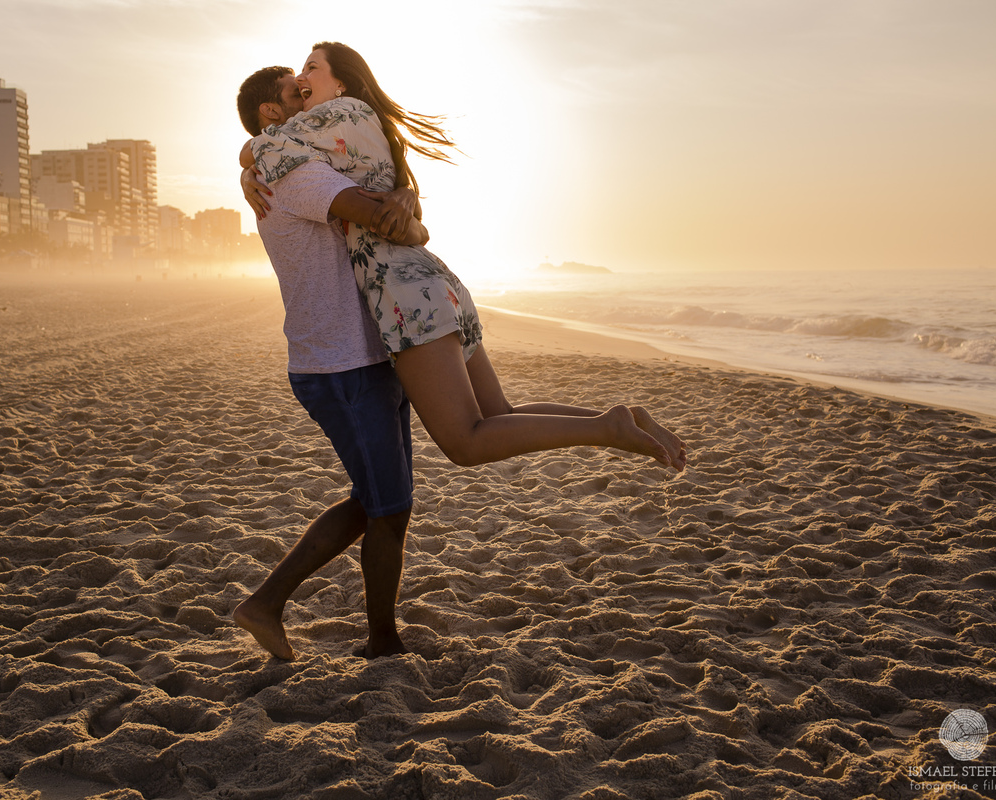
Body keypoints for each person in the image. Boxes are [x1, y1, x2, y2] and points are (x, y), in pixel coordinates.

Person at [245, 42, 688, 473]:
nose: (302, 79)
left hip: (401, 291)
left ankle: (606, 426)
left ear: (342, 82)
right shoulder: (361, 124)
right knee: (498, 410)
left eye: (311, 68)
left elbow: (259, 147)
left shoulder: (330, 117)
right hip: (436, 282)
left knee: (466, 440)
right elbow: (412, 223)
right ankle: (617, 418)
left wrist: (248, 167)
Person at [231, 65, 431, 661]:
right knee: (387, 508)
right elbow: (396, 225)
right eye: (298, 95)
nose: (314, 102)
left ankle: (283, 608)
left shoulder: (298, 165)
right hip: (341, 365)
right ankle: (372, 638)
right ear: (273, 114)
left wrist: (403, 194)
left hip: (368, 355)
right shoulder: (293, 173)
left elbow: (393, 211)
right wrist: (401, 201)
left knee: (382, 502)